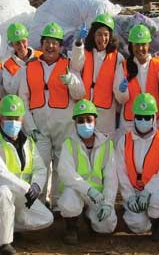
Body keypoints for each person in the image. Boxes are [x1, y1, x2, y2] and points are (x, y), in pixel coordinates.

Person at [0, 94, 54, 255]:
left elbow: (40, 168)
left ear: (22, 119)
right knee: (3, 192)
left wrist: (36, 186)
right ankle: (2, 243)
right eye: (8, 118)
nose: (13, 122)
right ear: (0, 119)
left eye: (16, 118)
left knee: (46, 218)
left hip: (19, 195)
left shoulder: (29, 143)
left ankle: (4, 225)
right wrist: (27, 188)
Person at [18, 22, 84, 206]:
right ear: (41, 44)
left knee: (62, 166)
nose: (51, 46)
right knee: (40, 165)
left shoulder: (69, 66)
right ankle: (39, 202)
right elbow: (22, 99)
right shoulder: (29, 68)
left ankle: (58, 202)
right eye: (47, 42)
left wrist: (71, 81)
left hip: (64, 126)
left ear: (61, 46)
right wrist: (30, 127)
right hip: (39, 128)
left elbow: (80, 94)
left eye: (55, 42)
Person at [115, 93, 159, 241]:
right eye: (140, 117)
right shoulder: (123, 141)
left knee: (157, 201)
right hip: (134, 188)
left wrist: (148, 192)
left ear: (154, 118)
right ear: (134, 118)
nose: (143, 121)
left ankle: (158, 222)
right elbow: (121, 172)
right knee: (137, 225)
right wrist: (129, 197)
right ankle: (146, 215)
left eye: (147, 117)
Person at [57, 99, 118, 244]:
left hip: (98, 195)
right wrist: (88, 190)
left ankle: (89, 216)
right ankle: (72, 227)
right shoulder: (68, 143)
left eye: (88, 120)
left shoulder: (107, 144)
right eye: (81, 120)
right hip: (76, 191)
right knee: (69, 202)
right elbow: (66, 173)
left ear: (95, 121)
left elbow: (111, 178)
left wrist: (108, 202)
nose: (85, 124)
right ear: (75, 123)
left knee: (107, 225)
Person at [70, 14, 125, 135]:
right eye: (99, 34)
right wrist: (78, 43)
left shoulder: (117, 58)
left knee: (104, 149)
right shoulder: (85, 52)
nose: (103, 38)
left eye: (106, 35)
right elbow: (75, 65)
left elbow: (119, 89)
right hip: (85, 110)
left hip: (106, 114)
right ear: (93, 36)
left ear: (110, 37)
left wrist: (122, 89)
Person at [115, 24, 159, 131]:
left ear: (149, 45)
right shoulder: (123, 66)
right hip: (129, 123)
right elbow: (120, 99)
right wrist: (122, 91)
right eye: (136, 45)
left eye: (143, 44)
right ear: (131, 45)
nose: (140, 48)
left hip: (153, 121)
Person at [2, 22, 42, 95]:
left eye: (23, 41)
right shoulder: (8, 65)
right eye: (17, 43)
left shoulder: (40, 56)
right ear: (12, 45)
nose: (21, 46)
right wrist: (23, 69)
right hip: (22, 103)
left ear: (27, 39)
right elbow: (10, 91)